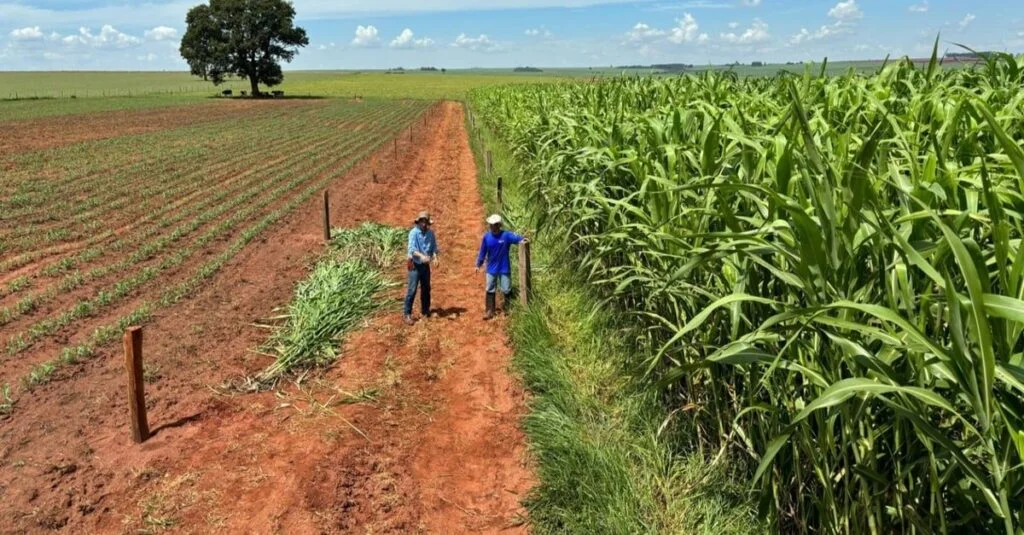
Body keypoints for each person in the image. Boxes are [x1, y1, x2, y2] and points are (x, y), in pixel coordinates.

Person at [475, 214, 527, 320]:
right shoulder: (487, 237)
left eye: (494, 225)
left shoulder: (506, 236)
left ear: (499, 225)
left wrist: (524, 239)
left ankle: (508, 309)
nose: (492, 226)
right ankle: (490, 310)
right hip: (491, 268)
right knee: (490, 288)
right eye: (491, 225)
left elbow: (518, 239)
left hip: (504, 267)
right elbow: (482, 251)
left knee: (506, 288)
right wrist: (478, 264)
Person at [404, 211, 439, 325]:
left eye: (425, 222)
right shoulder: (413, 233)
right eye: (422, 221)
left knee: (426, 288)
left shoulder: (430, 234)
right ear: (418, 222)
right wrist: (422, 256)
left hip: (425, 266)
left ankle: (425, 310)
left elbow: (434, 248)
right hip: (415, 265)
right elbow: (412, 250)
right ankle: (407, 314)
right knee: (412, 289)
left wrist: (435, 257)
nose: (423, 224)